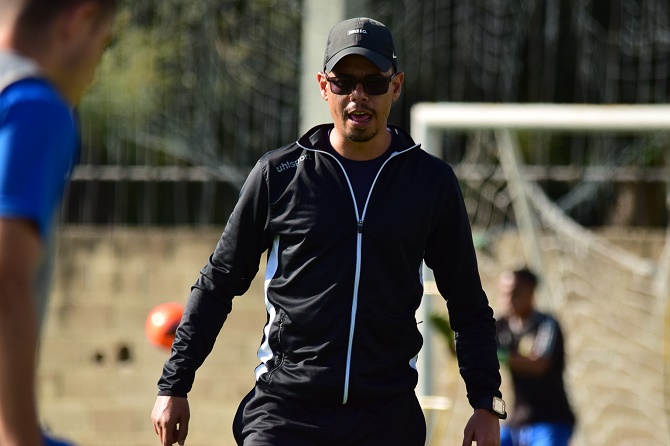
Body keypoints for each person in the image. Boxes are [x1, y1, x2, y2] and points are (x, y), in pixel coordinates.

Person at [152, 17, 505, 446]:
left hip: (385, 415)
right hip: (285, 412)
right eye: (344, 82)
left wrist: (485, 401)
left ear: (396, 86)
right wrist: (174, 384)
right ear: (323, 85)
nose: (359, 95)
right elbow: (218, 283)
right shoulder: (278, 174)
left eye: (374, 82)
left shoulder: (430, 181)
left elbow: (467, 300)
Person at [0, 1, 116, 445]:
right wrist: (21, 436)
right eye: (103, 47)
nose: (93, 70)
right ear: (79, 19)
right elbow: (7, 278)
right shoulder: (33, 107)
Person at [495, 268, 576, 446]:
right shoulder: (500, 325)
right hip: (517, 420)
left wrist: (499, 356)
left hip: (551, 420)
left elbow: (539, 364)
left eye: (514, 293)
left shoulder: (547, 324)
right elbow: (479, 346)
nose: (508, 299)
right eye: (504, 293)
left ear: (531, 292)